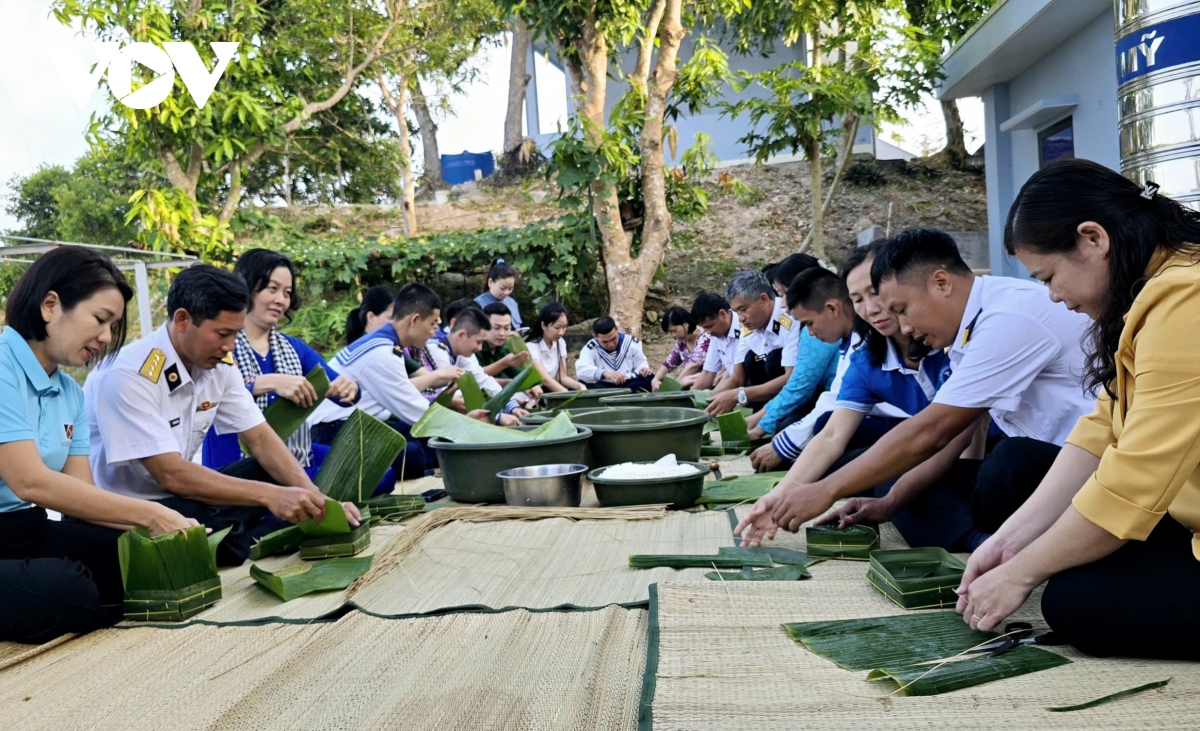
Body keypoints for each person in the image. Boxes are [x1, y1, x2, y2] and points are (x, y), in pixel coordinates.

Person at [955, 159, 1200, 660]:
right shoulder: (1155, 290)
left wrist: (1023, 571)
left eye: (1049, 276)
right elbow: (1101, 430)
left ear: (1093, 239)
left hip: (1172, 504)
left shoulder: (1187, 300)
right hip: (1177, 504)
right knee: (1016, 468)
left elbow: (1133, 482)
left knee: (1075, 602)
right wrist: (1006, 544)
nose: (1053, 296)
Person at [737, 228, 1094, 550]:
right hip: (1051, 461)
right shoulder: (950, 333)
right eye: (858, 299)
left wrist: (824, 490)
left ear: (940, 283)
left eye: (896, 305)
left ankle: (1001, 545)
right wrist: (887, 503)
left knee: (1002, 464)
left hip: (1074, 464)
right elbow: (943, 435)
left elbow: (938, 431)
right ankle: (984, 541)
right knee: (897, 481)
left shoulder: (1001, 321)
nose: (894, 321)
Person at [85, 265, 359, 568]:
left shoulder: (219, 366)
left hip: (186, 497)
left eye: (235, 334)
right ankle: (230, 534)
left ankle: (231, 530)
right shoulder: (130, 375)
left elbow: (261, 438)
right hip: (133, 507)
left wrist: (319, 501)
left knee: (270, 472)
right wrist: (270, 496)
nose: (229, 346)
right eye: (222, 334)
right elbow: (170, 474)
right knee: (227, 543)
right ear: (182, 320)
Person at [0, 247, 198, 644]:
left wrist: (168, 530)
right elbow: (31, 483)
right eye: (100, 320)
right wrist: (151, 516)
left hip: (26, 528)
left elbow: (82, 497)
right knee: (70, 590)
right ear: (51, 305)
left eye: (112, 326)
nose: (106, 337)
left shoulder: (70, 392)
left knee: (127, 560)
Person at [752, 244, 917, 473]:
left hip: (901, 425)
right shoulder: (861, 344)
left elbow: (802, 388)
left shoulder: (878, 338)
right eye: (858, 299)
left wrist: (776, 437)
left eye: (876, 293)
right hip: (876, 419)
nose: (870, 309)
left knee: (822, 446)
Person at [202, 250, 361, 480]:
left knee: (381, 473)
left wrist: (350, 388)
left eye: (287, 293)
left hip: (294, 457)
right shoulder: (222, 343)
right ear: (246, 287)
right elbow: (208, 395)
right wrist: (266, 383)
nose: (281, 300)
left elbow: (340, 392)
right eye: (272, 289)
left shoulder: (293, 348)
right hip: (235, 466)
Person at [327, 284, 491, 478]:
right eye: (432, 324)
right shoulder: (381, 353)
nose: (433, 332)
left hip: (362, 426)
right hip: (335, 432)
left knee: (419, 443)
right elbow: (420, 414)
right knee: (413, 454)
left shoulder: (387, 347)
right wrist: (468, 424)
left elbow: (414, 403)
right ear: (415, 320)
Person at [704, 271, 799, 416]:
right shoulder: (749, 325)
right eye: (736, 312)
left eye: (743, 310)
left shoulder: (790, 317)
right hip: (767, 391)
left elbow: (791, 377)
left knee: (773, 359)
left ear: (763, 300)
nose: (740, 318)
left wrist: (739, 395)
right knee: (751, 360)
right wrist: (710, 398)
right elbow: (737, 377)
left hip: (796, 392)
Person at [426, 306, 526, 424]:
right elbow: (452, 397)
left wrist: (512, 407)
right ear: (461, 335)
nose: (479, 348)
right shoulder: (437, 352)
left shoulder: (461, 353)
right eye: (479, 342)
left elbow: (483, 381)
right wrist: (497, 417)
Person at [575, 317, 654, 391]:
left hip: (628, 383)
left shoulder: (631, 342)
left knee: (650, 379)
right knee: (583, 384)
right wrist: (605, 374)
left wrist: (643, 370)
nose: (611, 344)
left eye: (613, 339)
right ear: (595, 336)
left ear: (617, 329)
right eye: (605, 342)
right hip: (604, 385)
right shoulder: (591, 348)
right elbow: (582, 370)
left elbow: (640, 362)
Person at [526, 303, 585, 392]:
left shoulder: (560, 342)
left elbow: (562, 377)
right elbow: (545, 380)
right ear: (543, 325)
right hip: (534, 394)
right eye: (557, 327)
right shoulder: (531, 347)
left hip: (552, 390)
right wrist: (566, 395)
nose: (561, 332)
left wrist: (580, 387)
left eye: (564, 327)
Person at [651, 307, 709, 391]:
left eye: (674, 330)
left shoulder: (705, 337)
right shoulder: (681, 342)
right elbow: (668, 363)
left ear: (686, 324)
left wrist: (675, 385)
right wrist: (655, 379)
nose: (673, 335)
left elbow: (695, 364)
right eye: (670, 332)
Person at [691, 293, 739, 391]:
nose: (708, 332)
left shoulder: (745, 326)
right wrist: (690, 396)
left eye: (710, 326)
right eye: (704, 328)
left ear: (723, 314)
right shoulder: (716, 335)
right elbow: (708, 373)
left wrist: (714, 395)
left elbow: (739, 376)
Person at [478, 301, 531, 382]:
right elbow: (474, 377)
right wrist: (504, 363)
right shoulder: (474, 346)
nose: (502, 334)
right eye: (496, 328)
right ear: (483, 325)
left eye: (506, 328)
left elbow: (520, 375)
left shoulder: (506, 345)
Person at [474, 259, 522, 329]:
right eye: (502, 288)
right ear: (490, 282)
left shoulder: (512, 303)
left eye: (510, 288)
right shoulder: (477, 304)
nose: (506, 292)